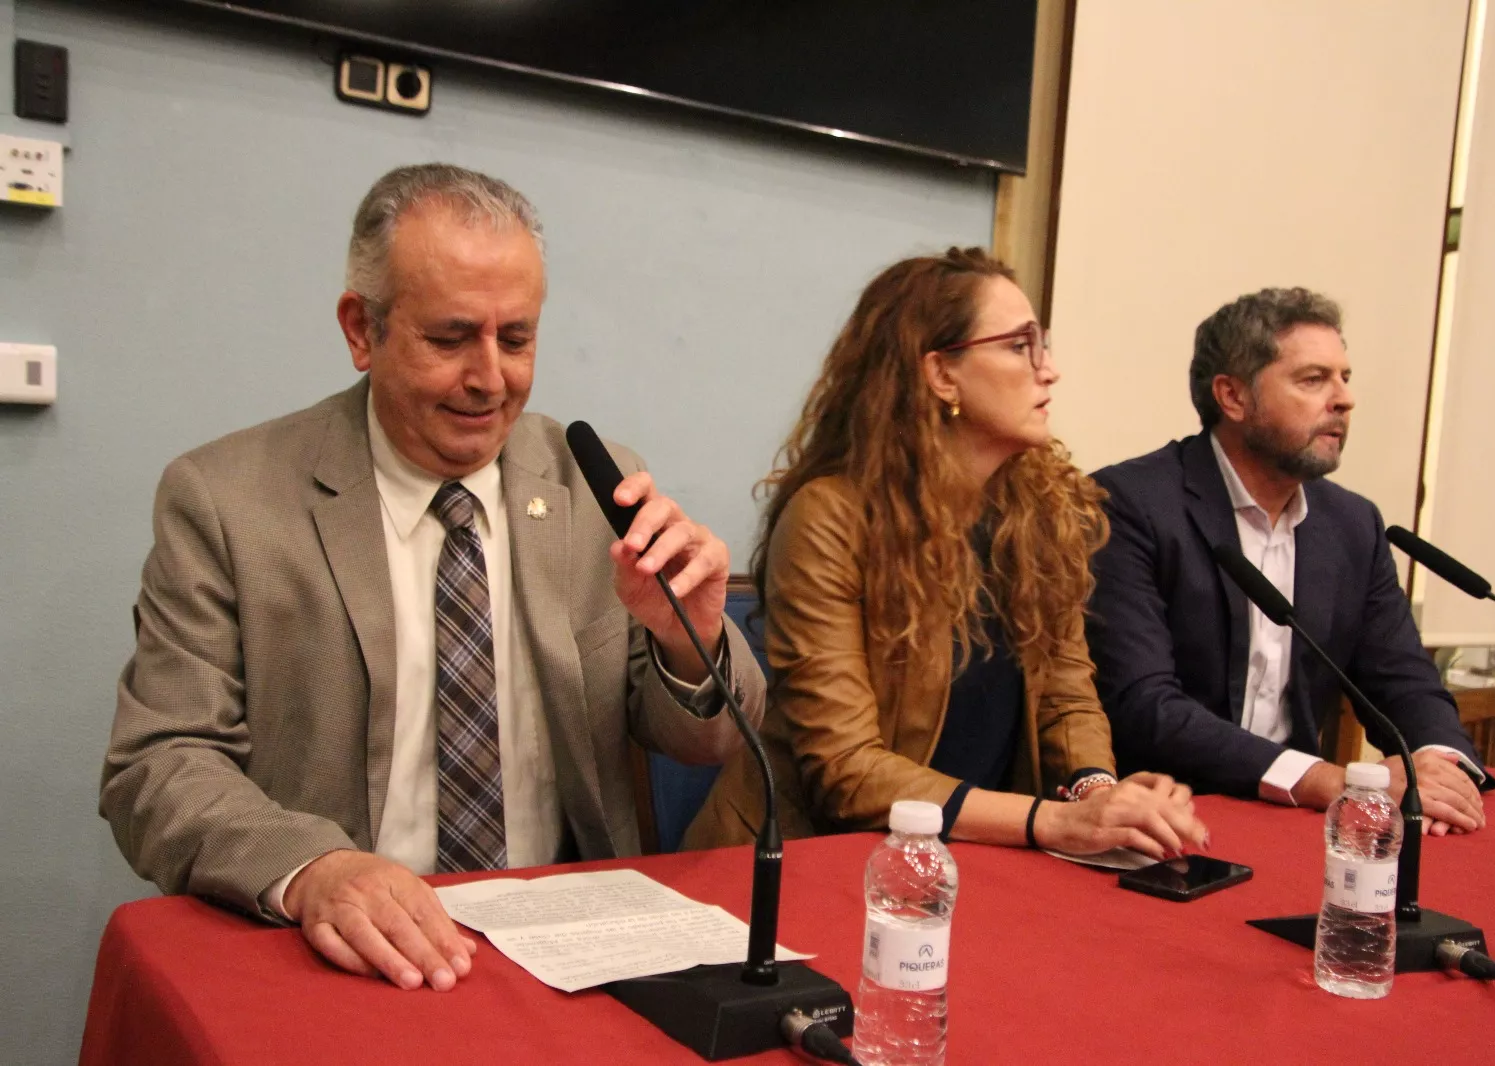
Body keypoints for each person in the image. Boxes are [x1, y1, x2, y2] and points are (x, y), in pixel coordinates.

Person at [101, 163, 765, 993]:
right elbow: (159, 761)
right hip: (347, 951)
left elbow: (704, 740)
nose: (491, 378)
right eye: (450, 338)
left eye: (516, 338)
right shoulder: (228, 501)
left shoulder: (594, 482)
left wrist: (690, 636)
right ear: (361, 329)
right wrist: (313, 869)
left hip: (569, 946)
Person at [684, 248, 1205, 859]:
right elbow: (847, 772)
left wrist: (1096, 792)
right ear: (941, 374)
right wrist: (1054, 822)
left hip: (971, 858)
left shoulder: (1040, 512)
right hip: (806, 862)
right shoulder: (829, 516)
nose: (1050, 370)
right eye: (1019, 346)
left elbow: (1067, 696)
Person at [1086, 287, 1491, 833]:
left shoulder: (1352, 525)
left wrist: (1439, 769)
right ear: (1232, 397)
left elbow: (1405, 682)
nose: (1343, 399)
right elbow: (1144, 705)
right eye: (1313, 379)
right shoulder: (1132, 504)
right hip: (1161, 821)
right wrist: (1329, 781)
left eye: (1345, 378)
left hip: (1293, 826)